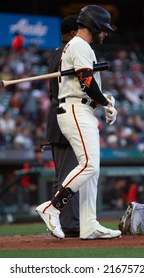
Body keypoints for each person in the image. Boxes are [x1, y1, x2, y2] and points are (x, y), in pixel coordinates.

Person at [36, 5, 121, 240]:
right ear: (93, 25)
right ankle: (51, 207)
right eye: (103, 29)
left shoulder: (79, 46)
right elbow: (86, 80)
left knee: (92, 171)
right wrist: (105, 103)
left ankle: (89, 224)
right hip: (75, 108)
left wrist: (104, 102)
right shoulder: (80, 45)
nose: (104, 34)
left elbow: (88, 83)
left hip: (82, 108)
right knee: (89, 165)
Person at [45, 15, 79, 237]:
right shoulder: (70, 52)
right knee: (69, 175)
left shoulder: (57, 51)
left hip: (56, 116)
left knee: (61, 176)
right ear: (76, 32)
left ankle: (58, 221)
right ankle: (69, 224)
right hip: (66, 114)